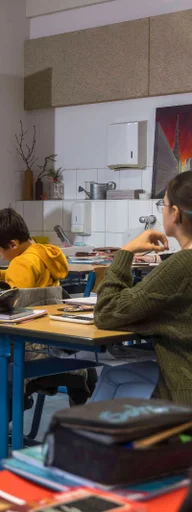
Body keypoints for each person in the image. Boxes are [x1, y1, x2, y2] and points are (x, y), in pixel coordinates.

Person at [92, 171, 192, 404]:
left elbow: (106, 313)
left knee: (114, 378)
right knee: (114, 374)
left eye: (163, 205)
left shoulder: (183, 265)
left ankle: (82, 438)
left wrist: (125, 253)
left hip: (184, 394)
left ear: (175, 213)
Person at [0, 208, 68, 290]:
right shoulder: (42, 253)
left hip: (27, 312)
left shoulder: (21, 262)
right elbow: (27, 275)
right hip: (48, 310)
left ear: (13, 245)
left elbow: (11, 298)